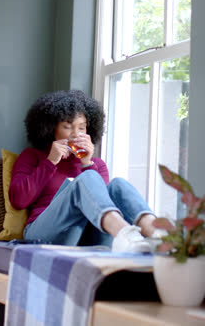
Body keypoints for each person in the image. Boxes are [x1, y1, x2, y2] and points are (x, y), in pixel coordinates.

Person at [9, 89, 158, 252]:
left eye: (82, 128)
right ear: (51, 128)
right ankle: (124, 234)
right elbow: (18, 200)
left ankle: (159, 236)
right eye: (67, 127)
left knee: (118, 185)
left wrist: (87, 162)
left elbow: (101, 202)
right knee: (85, 179)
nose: (76, 134)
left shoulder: (97, 164)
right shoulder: (33, 156)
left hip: (88, 236)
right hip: (44, 233)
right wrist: (50, 161)